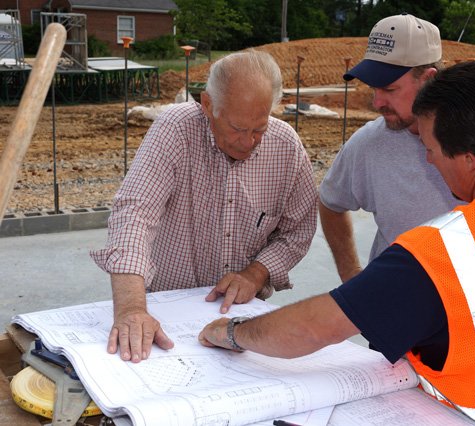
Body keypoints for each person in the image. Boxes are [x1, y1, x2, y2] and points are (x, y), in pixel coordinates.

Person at [199, 60, 475, 425]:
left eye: (430, 148)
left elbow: (312, 328)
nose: (427, 158)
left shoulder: (445, 253)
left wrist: (234, 333)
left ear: (468, 158)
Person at [91, 50, 317, 363]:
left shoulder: (286, 146)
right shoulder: (176, 129)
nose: (248, 141)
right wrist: (131, 309)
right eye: (238, 128)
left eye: (259, 129)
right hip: (164, 310)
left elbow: (298, 230)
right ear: (208, 105)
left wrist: (256, 273)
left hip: (242, 319)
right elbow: (135, 214)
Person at [319, 13, 475, 282]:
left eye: (389, 89)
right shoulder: (369, 144)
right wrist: (352, 277)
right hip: (402, 310)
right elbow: (331, 203)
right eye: (374, 88)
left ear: (427, 78)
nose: (377, 102)